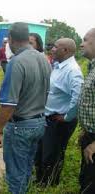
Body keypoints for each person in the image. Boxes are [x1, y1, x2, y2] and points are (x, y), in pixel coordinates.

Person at [0, 22, 51, 194]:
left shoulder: (16, 62)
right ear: (27, 37)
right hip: (39, 122)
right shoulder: (44, 59)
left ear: (10, 38)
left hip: (21, 126)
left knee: (15, 173)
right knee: (25, 167)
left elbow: (9, 104)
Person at [36, 38, 83, 186]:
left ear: (65, 51)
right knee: (43, 152)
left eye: (56, 47)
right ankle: (41, 181)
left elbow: (78, 96)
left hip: (59, 121)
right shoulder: (58, 66)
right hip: (49, 118)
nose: (52, 49)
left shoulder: (72, 71)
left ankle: (49, 184)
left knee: (52, 155)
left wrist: (67, 116)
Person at [78, 28, 95, 194]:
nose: (81, 44)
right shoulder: (91, 67)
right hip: (90, 136)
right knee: (86, 180)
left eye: (85, 40)